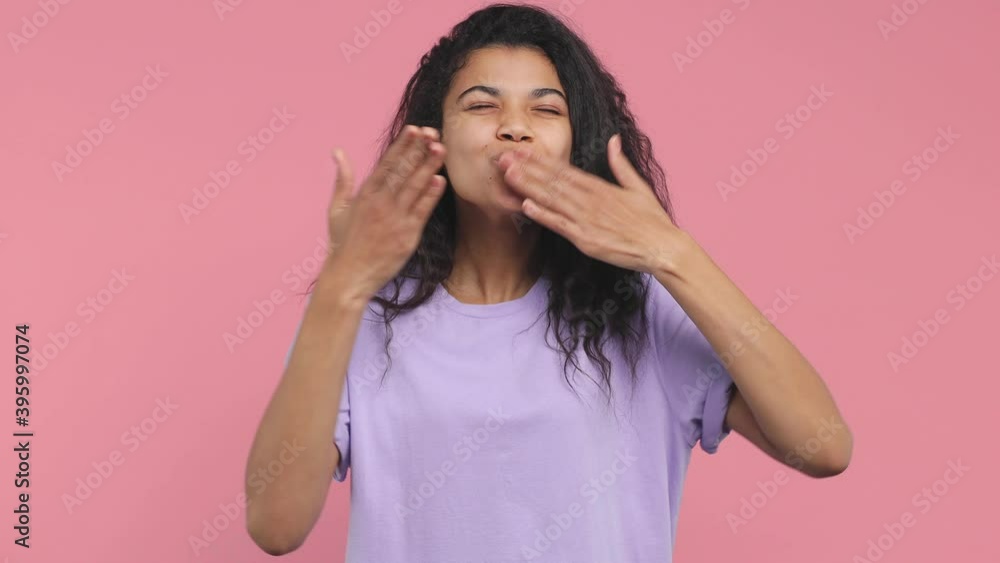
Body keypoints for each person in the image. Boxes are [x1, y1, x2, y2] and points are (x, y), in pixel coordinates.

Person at [244, 4, 853, 561]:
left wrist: (673, 254)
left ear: (576, 142)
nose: (515, 128)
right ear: (436, 139)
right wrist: (342, 284)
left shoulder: (638, 305)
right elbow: (275, 525)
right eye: (481, 106)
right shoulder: (361, 308)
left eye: (546, 109)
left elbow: (823, 447)